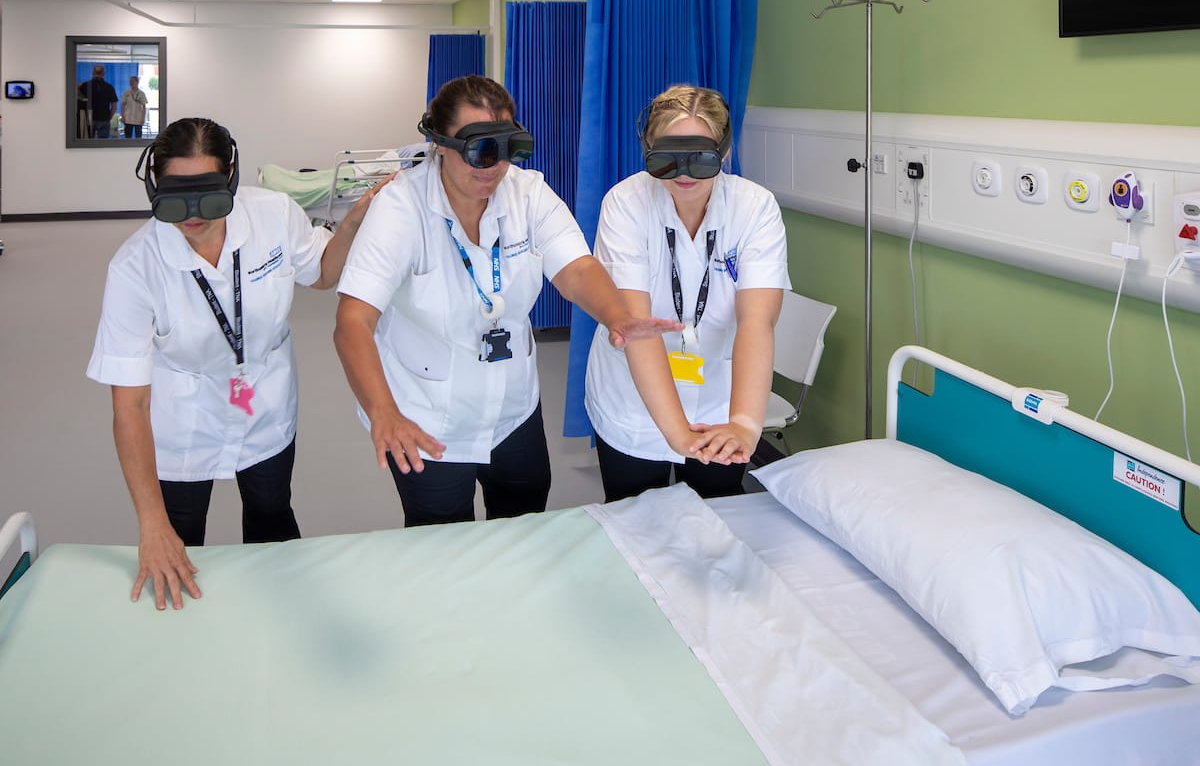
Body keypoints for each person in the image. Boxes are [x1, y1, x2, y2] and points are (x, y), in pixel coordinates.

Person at [334, 75, 685, 527]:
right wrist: (382, 410)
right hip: (426, 415)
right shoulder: (400, 208)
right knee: (442, 536)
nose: (494, 166)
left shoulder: (527, 192)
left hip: (513, 408)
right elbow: (353, 321)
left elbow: (576, 268)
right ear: (439, 143)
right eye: (479, 149)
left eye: (507, 147)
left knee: (523, 518)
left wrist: (618, 316)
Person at [87, 117, 382, 611]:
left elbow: (321, 274)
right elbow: (129, 406)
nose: (193, 214)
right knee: (179, 533)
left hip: (264, 398)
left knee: (271, 513)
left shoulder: (273, 214)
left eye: (208, 194)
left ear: (230, 178)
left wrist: (350, 225)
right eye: (177, 196)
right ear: (154, 185)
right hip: (183, 416)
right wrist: (151, 525)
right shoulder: (135, 267)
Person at [584, 85, 789, 502]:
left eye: (700, 157)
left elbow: (757, 321)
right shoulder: (626, 204)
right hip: (634, 401)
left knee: (716, 520)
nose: (683, 173)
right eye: (666, 157)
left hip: (719, 399)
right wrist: (678, 432)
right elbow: (636, 327)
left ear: (724, 153)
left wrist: (745, 423)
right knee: (633, 519)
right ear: (647, 150)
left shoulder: (755, 208)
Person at [82, 64, 118, 139]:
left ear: (92, 73)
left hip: (89, 118)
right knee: (103, 143)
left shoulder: (84, 86)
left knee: (88, 143)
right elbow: (114, 106)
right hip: (104, 119)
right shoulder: (109, 87)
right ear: (103, 74)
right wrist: (109, 117)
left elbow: (79, 103)